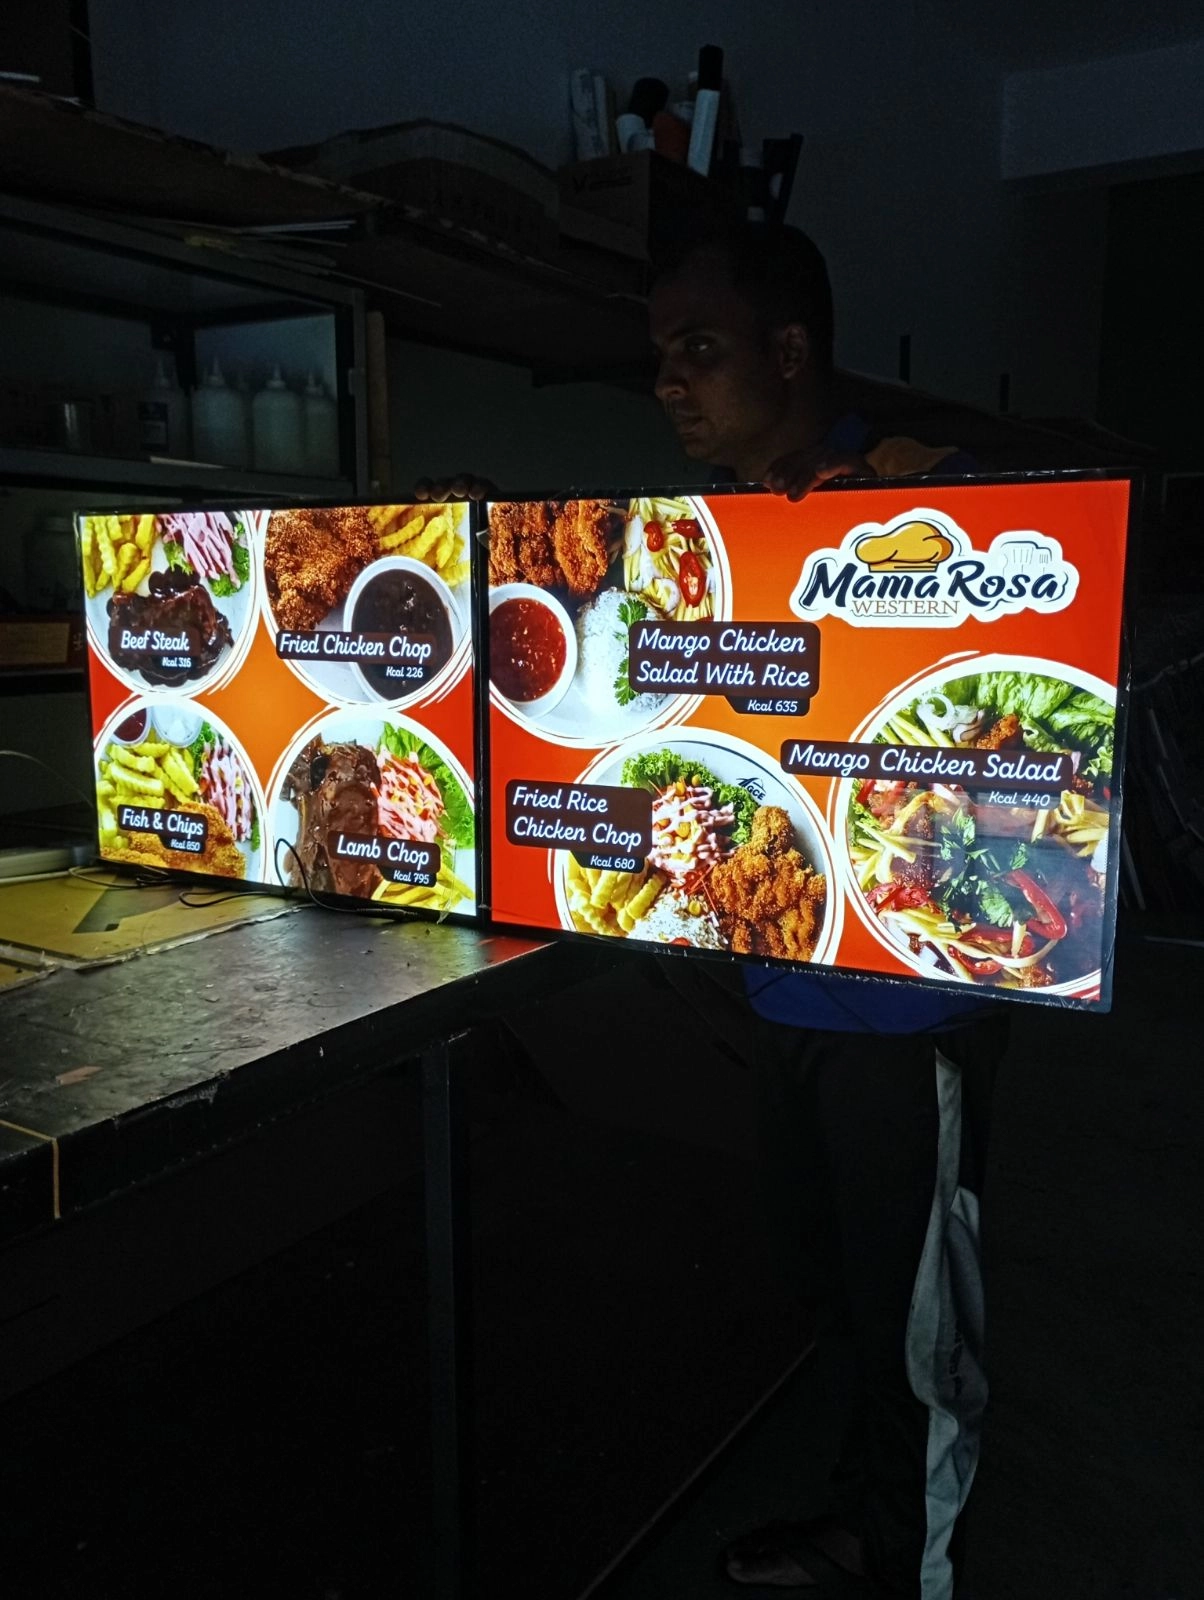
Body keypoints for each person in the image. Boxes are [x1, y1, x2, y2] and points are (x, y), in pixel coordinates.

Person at [421, 222, 1008, 1600]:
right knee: (831, 1287)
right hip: (780, 993)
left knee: (916, 1318)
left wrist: (949, 510)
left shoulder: (909, 497)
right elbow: (617, 648)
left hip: (905, 1014)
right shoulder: (708, 533)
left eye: (699, 351)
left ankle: (913, 1566)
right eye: (660, 358)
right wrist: (488, 535)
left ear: (790, 352)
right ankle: (862, 1520)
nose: (669, 385)